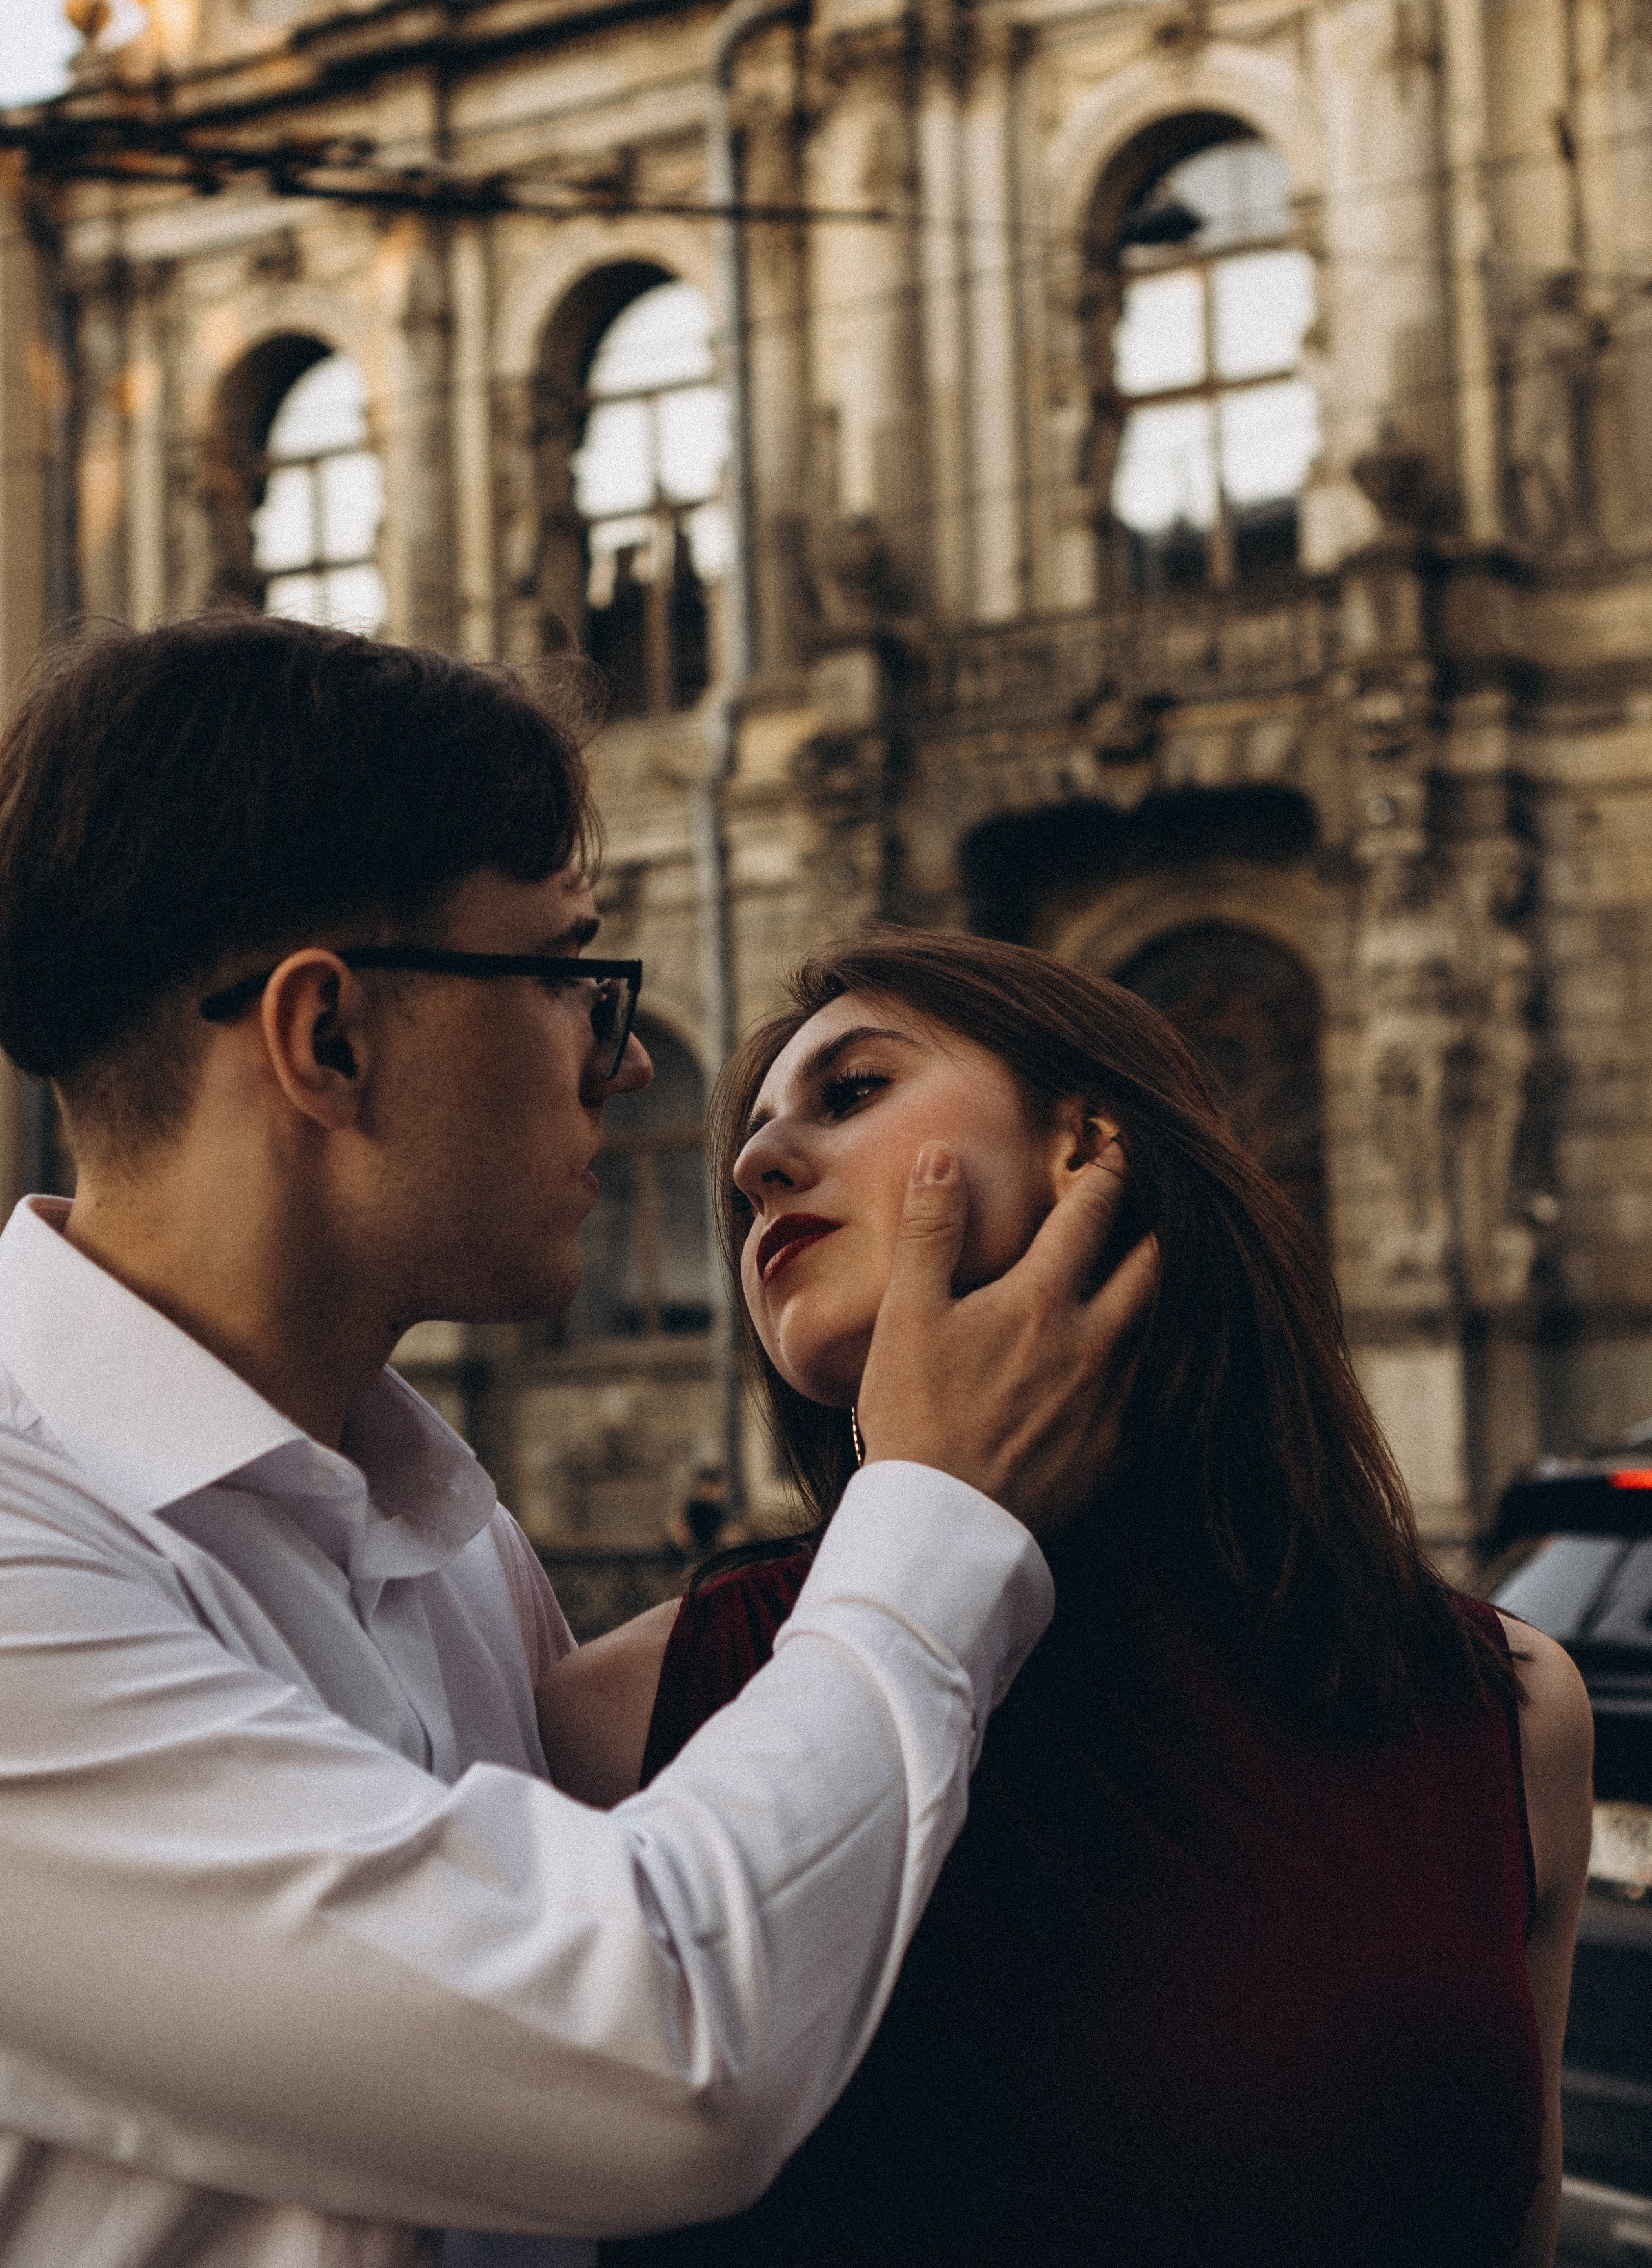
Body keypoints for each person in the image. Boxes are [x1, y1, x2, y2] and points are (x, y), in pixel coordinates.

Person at [0, 622, 1158, 2268]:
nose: (623, 1060)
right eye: (564, 974)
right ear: (326, 1041)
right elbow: (652, 2056)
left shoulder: (445, 1530)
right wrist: (937, 1511)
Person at [575, 932, 1594, 2268]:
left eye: (851, 1092)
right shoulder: (622, 1711)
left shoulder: (1503, 1711)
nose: (751, 1167)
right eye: (750, 1141)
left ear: (1086, 1144)